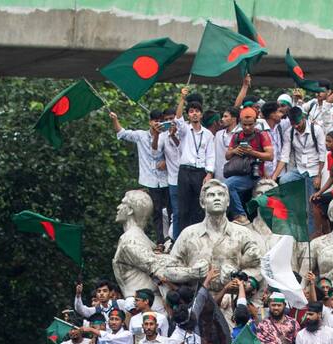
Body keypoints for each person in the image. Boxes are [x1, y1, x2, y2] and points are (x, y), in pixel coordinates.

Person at [111, 110, 170, 242]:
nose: (158, 123)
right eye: (155, 121)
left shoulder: (166, 136)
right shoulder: (141, 136)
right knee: (156, 212)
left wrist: (166, 162)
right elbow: (122, 133)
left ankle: (171, 239)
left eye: (160, 121)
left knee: (171, 210)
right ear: (150, 122)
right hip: (150, 180)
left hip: (166, 178)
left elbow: (175, 153)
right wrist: (114, 119)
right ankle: (160, 240)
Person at [172, 88, 216, 235]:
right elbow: (177, 119)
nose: (194, 113)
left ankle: (199, 236)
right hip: (185, 171)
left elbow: (211, 155)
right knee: (183, 206)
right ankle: (184, 238)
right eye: (191, 111)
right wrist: (182, 98)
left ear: (201, 114)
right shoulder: (184, 130)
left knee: (199, 206)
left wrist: (209, 173)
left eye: (197, 111)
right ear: (188, 115)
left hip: (200, 173)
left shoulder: (208, 134)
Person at [224, 107, 274, 224]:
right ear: (240, 122)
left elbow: (270, 156)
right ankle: (238, 216)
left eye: (250, 124)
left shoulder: (262, 135)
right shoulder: (236, 136)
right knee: (228, 185)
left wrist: (252, 152)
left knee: (228, 185)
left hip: (254, 174)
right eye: (244, 124)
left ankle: (241, 216)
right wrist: (234, 151)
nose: (247, 127)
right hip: (238, 173)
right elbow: (227, 155)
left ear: (255, 122)